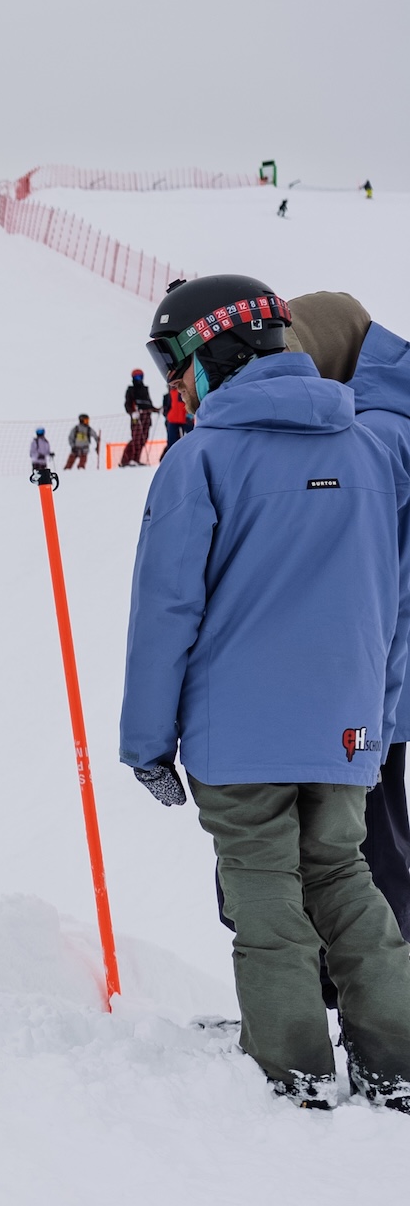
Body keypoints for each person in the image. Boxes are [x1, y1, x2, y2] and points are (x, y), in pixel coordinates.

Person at [121, 274, 410, 1111]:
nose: (176, 389)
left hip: (239, 736)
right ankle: (395, 1059)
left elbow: (166, 613)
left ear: (219, 352)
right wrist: (377, 724)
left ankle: (294, 1068)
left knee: (264, 891)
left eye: (177, 366)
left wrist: (147, 744)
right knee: (344, 879)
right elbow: (385, 605)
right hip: (345, 732)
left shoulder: (201, 460)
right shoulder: (368, 449)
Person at [286, 291, 410, 942]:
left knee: (363, 860)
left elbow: (345, 562)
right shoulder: (382, 416)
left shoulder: (376, 433)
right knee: (367, 849)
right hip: (375, 679)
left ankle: (372, 998)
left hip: (363, 685)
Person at [122, 369, 155, 465]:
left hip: (146, 417)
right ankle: (128, 460)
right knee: (136, 439)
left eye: (140, 377)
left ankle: (136, 460)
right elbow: (127, 404)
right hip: (136, 417)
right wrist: (132, 413)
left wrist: (156, 410)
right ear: (133, 378)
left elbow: (148, 404)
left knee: (143, 439)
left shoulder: (145, 389)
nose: (138, 379)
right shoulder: (131, 390)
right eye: (136, 377)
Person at [162, 381, 192, 445]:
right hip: (176, 419)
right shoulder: (171, 394)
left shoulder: (175, 393)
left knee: (191, 437)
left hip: (183, 419)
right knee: (173, 440)